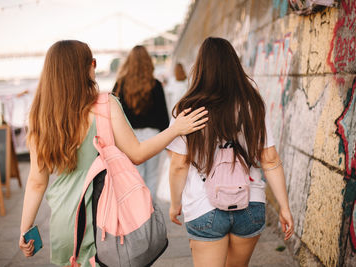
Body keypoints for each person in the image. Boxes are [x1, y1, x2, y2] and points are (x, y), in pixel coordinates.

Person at [18, 40, 208, 267]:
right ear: (85, 68)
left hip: (65, 223)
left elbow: (37, 183)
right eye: (93, 63)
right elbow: (137, 153)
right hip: (105, 221)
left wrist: (25, 229)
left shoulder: (39, 117)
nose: (95, 68)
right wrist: (176, 129)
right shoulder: (105, 105)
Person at [167, 37, 294, 267]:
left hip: (205, 206)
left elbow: (178, 164)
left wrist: (175, 203)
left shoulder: (188, 108)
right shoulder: (252, 104)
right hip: (250, 203)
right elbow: (270, 159)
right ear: (234, 65)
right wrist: (284, 207)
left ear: (200, 68)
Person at [113, 45, 170, 198]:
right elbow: (163, 117)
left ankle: (138, 214)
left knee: (135, 177)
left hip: (129, 136)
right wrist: (168, 143)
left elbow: (114, 113)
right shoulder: (156, 85)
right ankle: (150, 214)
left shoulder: (120, 85)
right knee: (152, 177)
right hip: (153, 136)